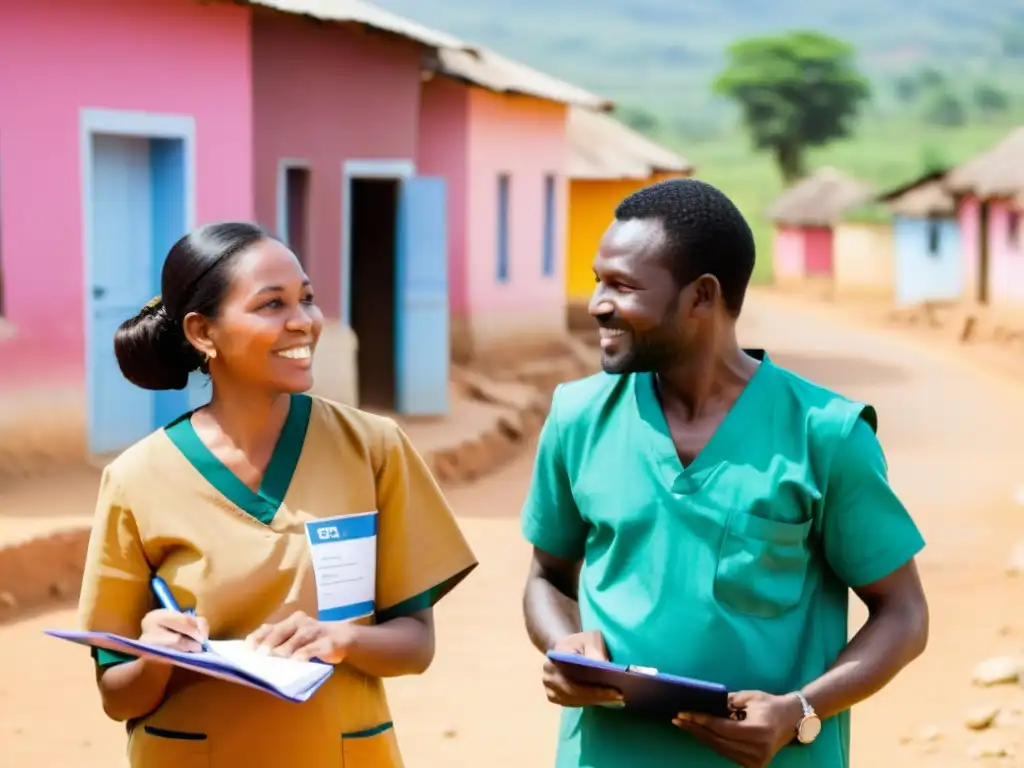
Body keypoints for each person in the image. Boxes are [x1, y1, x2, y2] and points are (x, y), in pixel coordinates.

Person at [520, 179, 929, 768]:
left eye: (623, 285)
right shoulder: (577, 417)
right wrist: (564, 645)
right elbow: (547, 577)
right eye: (597, 280)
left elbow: (904, 613)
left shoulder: (825, 434)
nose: (596, 304)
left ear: (702, 296)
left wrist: (801, 711)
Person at [77, 221, 477, 768]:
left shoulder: (374, 449)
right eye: (271, 304)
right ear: (202, 332)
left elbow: (414, 644)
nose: (303, 322)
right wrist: (154, 657)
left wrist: (342, 640)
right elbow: (116, 693)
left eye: (307, 299)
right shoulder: (136, 478)